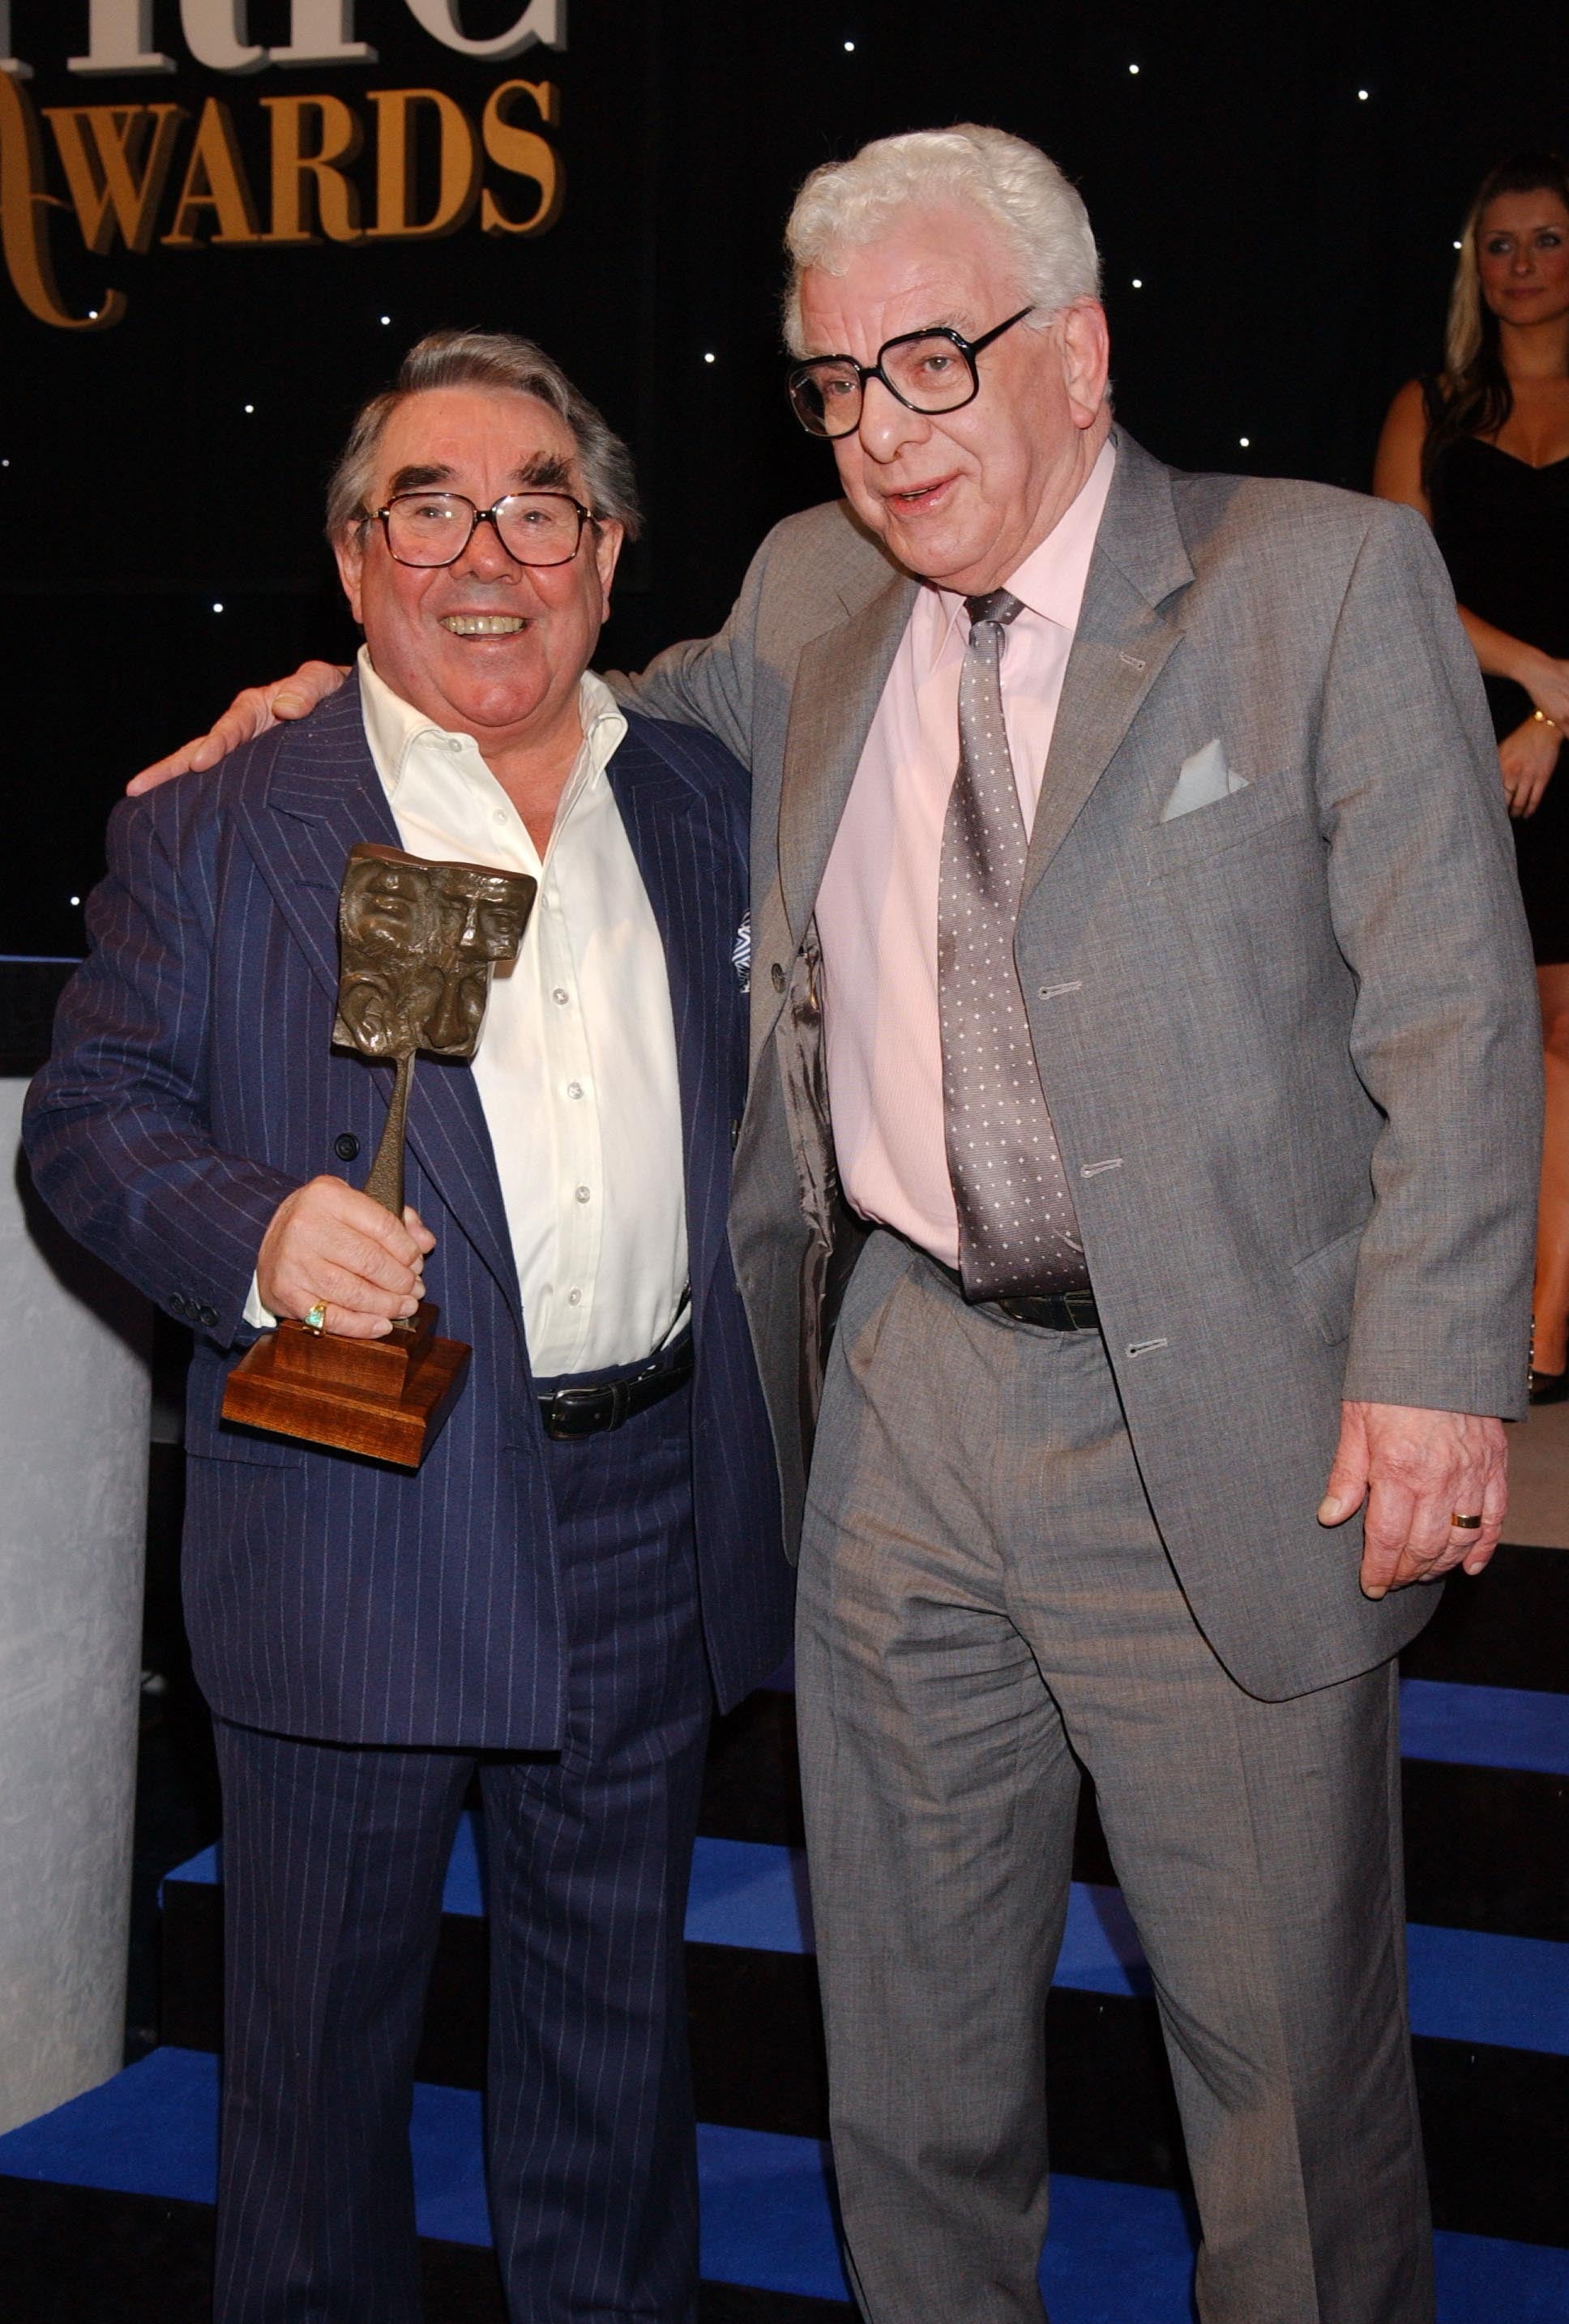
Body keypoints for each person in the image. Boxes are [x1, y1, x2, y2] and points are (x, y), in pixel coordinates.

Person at [127, 129, 1541, 2324]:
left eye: (931, 362)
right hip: (899, 1411)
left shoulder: (1318, 580)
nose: (880, 431)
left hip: (1233, 1410)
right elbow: (549, 697)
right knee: (911, 2046)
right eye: (831, 383)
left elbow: (1462, 1008)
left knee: (1288, 2076)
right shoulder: (804, 601)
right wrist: (339, 700)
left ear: (1077, 353)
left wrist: (1445, 1362)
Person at [25, 329, 790, 2324]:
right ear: (351, 563)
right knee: (312, 2091)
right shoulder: (218, 821)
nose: (486, 547)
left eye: (536, 502)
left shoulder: (699, 798)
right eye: (425, 505)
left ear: (607, 556)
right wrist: (258, 1227)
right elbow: (93, 1125)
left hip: (637, 1509)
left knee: (612, 2076)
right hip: (352, 1504)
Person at [1374, 151, 1569, 1399]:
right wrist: (1542, 675)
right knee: (1515, 1049)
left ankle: (1546, 1332)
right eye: (1499, 244)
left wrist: (1558, 711)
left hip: (1547, 749)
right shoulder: (1431, 408)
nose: (1522, 266)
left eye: (1547, 239)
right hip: (1478, 764)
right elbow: (1398, 588)